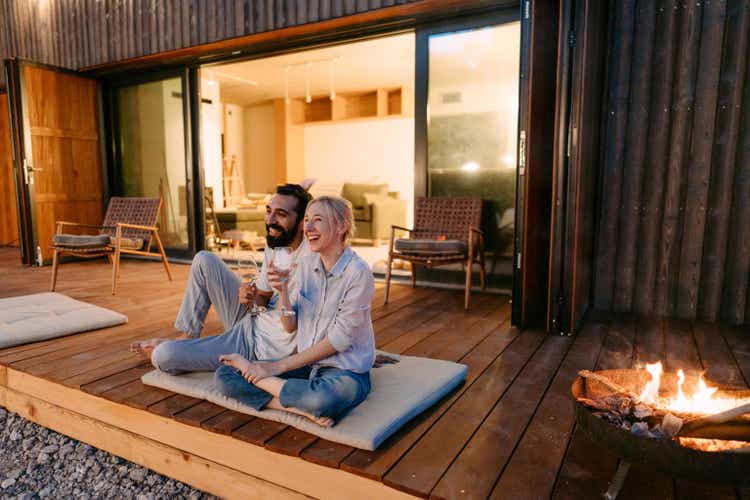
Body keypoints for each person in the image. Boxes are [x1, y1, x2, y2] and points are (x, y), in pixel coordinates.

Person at [216, 196, 375, 427]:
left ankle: (301, 401)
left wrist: (275, 367)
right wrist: (283, 293)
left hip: (343, 371)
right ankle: (303, 410)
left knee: (322, 398)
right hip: (306, 366)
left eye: (317, 220)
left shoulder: (358, 273)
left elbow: (339, 340)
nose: (307, 227)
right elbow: (290, 325)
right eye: (307, 220)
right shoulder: (307, 266)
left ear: (342, 226)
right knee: (224, 376)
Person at [129, 183, 313, 373]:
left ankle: (184, 350)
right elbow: (263, 298)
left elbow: (292, 325)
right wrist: (250, 297)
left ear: (302, 224)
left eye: (281, 214)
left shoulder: (314, 261)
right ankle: (187, 337)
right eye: (268, 211)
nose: (270, 220)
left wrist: (281, 293)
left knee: (163, 355)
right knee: (203, 260)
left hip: (253, 346)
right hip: (251, 319)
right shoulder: (275, 242)